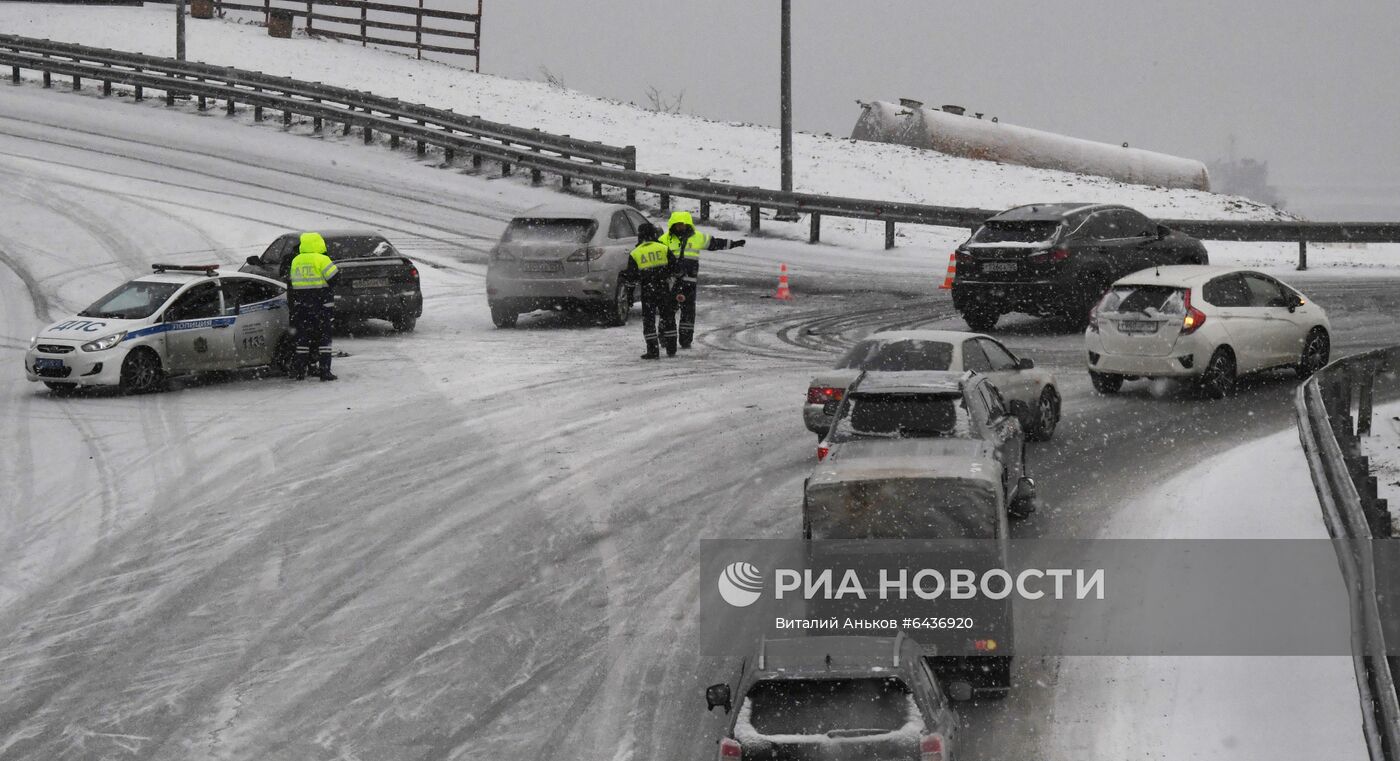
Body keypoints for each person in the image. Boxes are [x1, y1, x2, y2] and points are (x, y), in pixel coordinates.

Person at [657, 211, 746, 349]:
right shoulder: (664, 239)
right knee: (667, 311)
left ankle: (685, 339)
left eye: (682, 224)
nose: (680, 227)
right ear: (672, 225)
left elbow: (714, 243)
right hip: (671, 282)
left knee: (688, 312)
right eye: (677, 225)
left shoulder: (696, 237)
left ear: (688, 225)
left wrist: (733, 244)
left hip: (689, 282)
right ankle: (665, 338)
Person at [286, 231, 340, 381]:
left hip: (301, 306)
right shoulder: (322, 259)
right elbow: (334, 278)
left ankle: (299, 371)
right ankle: (324, 371)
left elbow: (291, 282)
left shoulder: (296, 260)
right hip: (321, 306)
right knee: (324, 340)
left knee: (302, 339)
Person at [623, 222, 678, 359]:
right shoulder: (663, 248)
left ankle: (653, 351)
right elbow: (675, 268)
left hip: (648, 290)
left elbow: (631, 278)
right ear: (654, 234)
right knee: (668, 317)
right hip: (663, 288)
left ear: (640, 235)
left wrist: (629, 296)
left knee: (649, 320)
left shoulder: (635, 253)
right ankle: (671, 348)